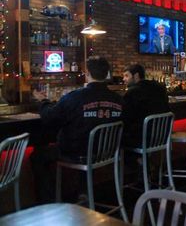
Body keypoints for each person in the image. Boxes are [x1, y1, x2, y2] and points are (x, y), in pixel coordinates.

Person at [30, 56, 123, 203]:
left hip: (77, 153)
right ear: (107, 74)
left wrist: (43, 101)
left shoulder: (75, 97)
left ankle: (48, 204)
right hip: (107, 153)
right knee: (85, 142)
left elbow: (50, 118)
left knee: (38, 155)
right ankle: (83, 192)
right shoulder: (118, 99)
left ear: (87, 73)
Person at [121, 64, 170, 148]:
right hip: (162, 135)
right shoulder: (160, 87)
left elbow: (126, 117)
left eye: (126, 76)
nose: (123, 79)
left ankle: (133, 160)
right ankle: (142, 159)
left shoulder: (132, 92)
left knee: (118, 136)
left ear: (136, 75)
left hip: (143, 139)